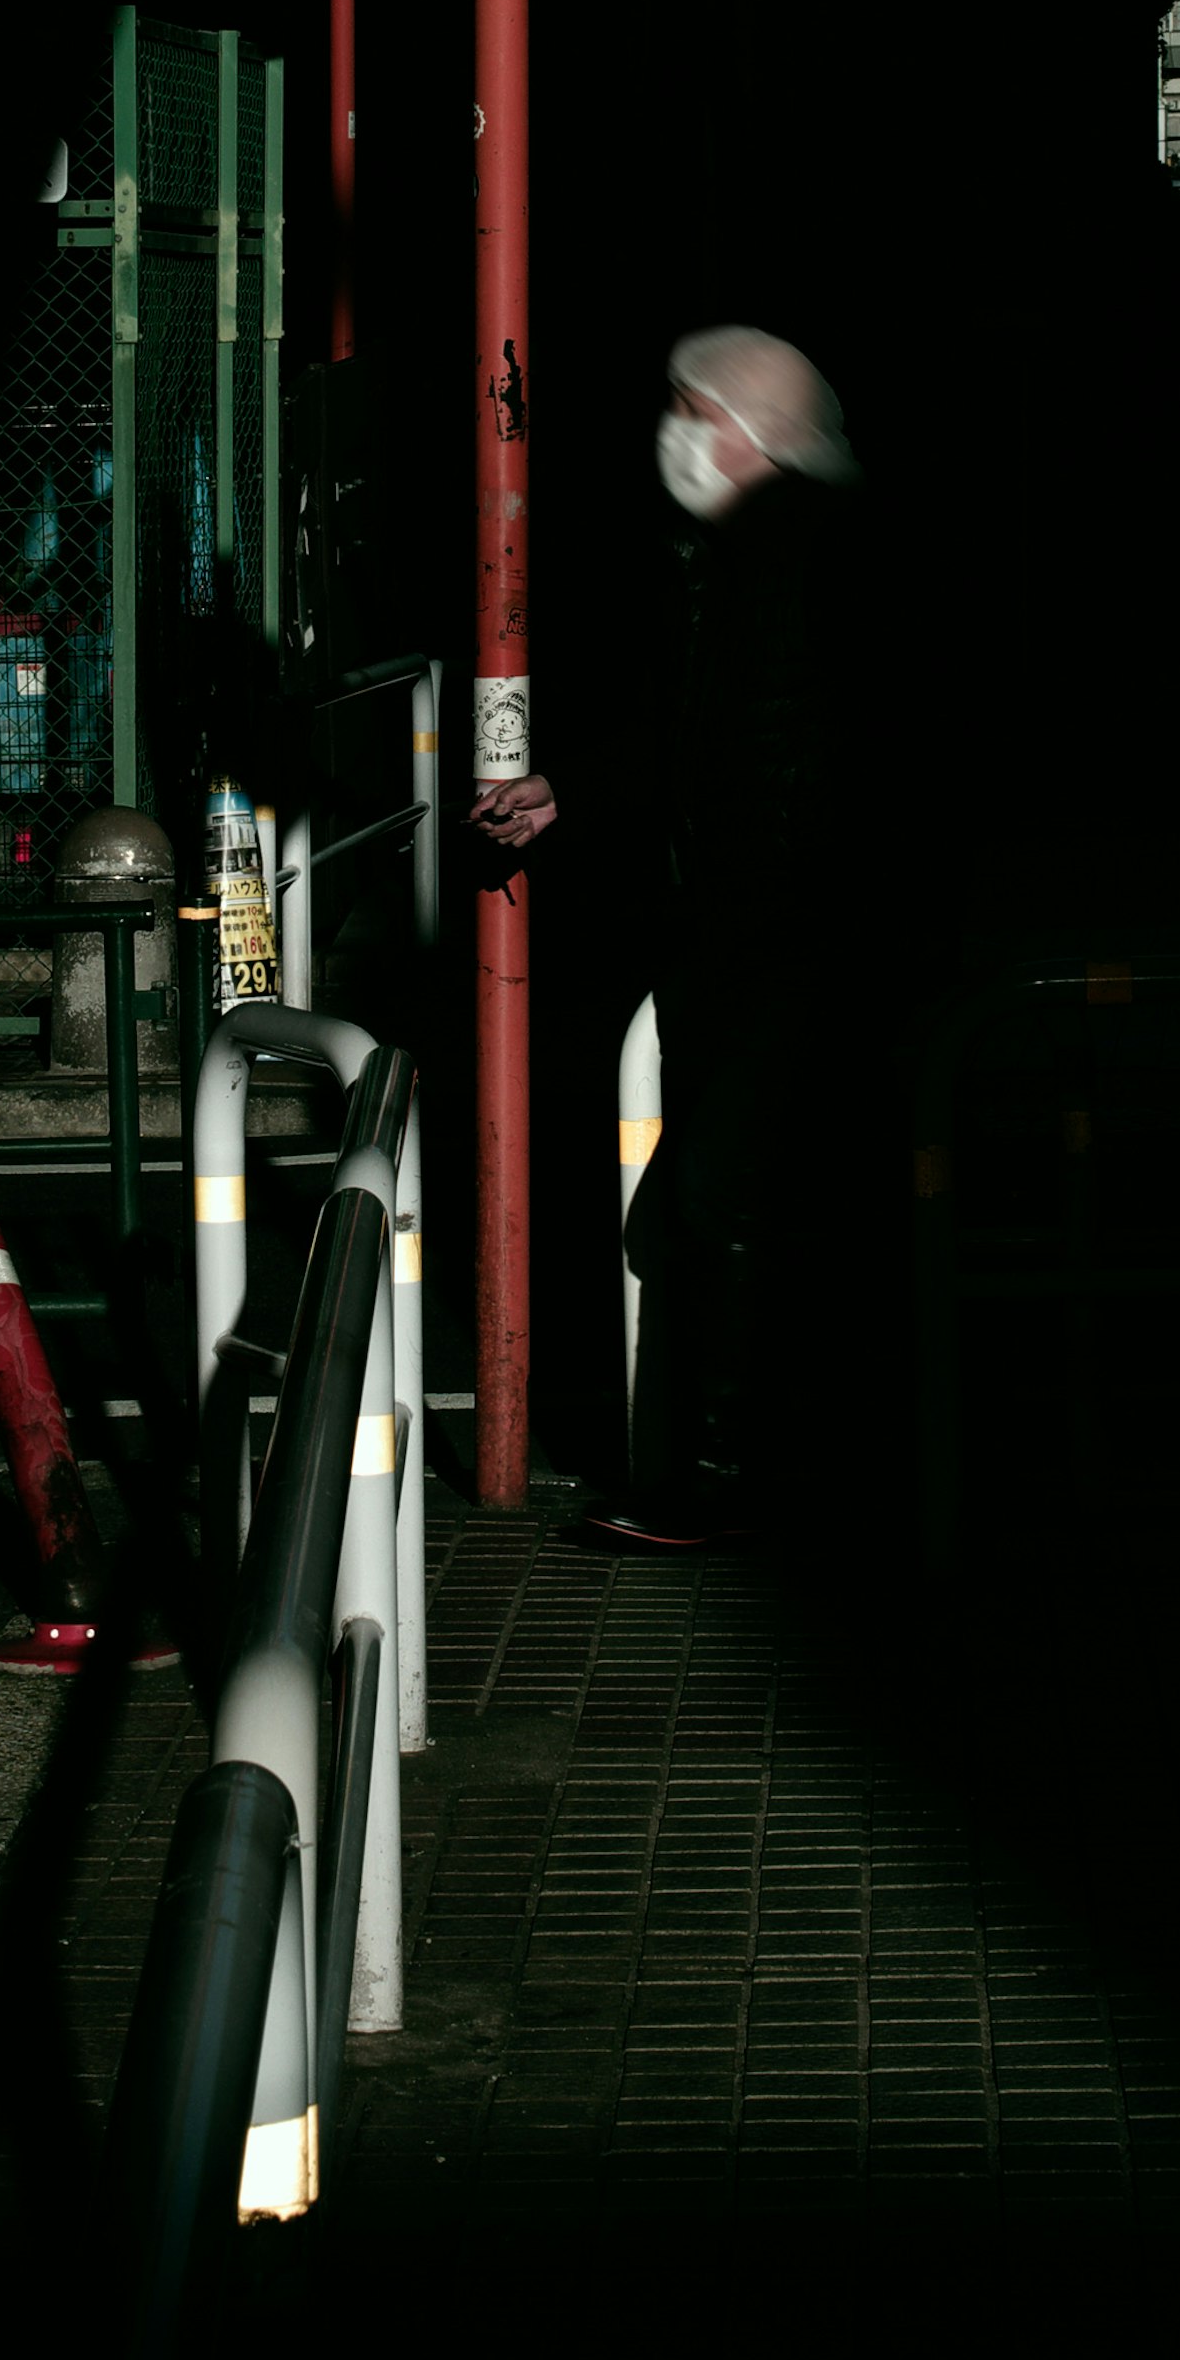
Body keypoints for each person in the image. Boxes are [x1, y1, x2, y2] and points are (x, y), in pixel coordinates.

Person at [470, 325, 865, 1546]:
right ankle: (742, 1471)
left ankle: (726, 1481)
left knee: (713, 1199)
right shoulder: (739, 560)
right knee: (718, 1199)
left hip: (786, 936)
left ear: (755, 434)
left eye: (694, 412)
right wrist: (572, 792)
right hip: (762, 933)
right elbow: (694, 744)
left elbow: (773, 766)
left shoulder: (795, 565)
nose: (675, 434)